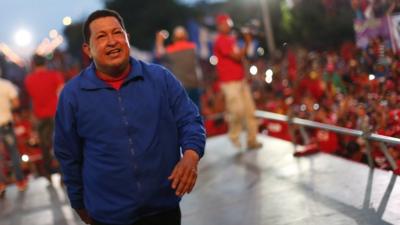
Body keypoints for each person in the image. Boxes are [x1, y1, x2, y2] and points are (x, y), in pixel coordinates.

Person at [54, 9, 205, 225]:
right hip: (108, 216)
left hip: (164, 210)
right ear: (88, 49)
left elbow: (190, 119)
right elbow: (68, 154)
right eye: (102, 36)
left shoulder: (160, 79)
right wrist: (78, 203)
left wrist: (191, 155)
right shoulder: (73, 96)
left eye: (117, 33)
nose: (112, 41)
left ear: (127, 39)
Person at [213, 13, 262, 150]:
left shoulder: (231, 39)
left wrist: (246, 44)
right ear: (220, 26)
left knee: (250, 111)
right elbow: (236, 57)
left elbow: (242, 57)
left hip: (240, 81)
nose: (228, 25)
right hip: (229, 83)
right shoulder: (220, 40)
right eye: (225, 23)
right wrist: (247, 42)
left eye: (229, 22)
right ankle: (234, 135)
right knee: (237, 110)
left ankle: (252, 140)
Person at [25, 54, 64, 183]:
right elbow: (62, 93)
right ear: (45, 63)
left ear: (33, 65)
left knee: (44, 145)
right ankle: (63, 173)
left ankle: (48, 173)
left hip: (39, 116)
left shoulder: (29, 79)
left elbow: (31, 97)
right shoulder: (55, 75)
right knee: (59, 144)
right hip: (55, 113)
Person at [155, 26, 202, 109]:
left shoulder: (170, 51)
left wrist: (159, 39)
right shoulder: (193, 48)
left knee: (182, 112)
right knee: (196, 110)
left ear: (174, 38)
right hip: (194, 84)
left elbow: (159, 54)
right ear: (186, 36)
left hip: (179, 87)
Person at [0, 76, 28, 194]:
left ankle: (1, 184)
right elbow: (16, 103)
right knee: (13, 152)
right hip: (6, 125)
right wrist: (7, 108)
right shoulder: (6, 84)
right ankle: (20, 181)